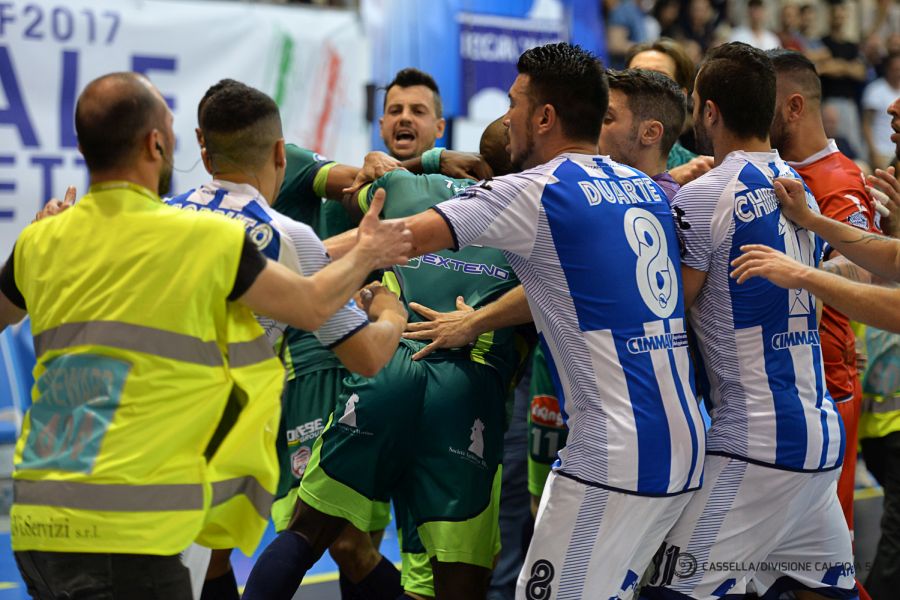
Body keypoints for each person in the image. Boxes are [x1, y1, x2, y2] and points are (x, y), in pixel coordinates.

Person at [0, 72, 412, 599]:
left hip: (39, 516)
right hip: (129, 522)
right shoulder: (209, 238)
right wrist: (384, 293)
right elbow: (321, 311)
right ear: (157, 144)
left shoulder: (48, 239)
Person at [392, 41, 702, 600]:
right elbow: (578, 286)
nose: (505, 116)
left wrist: (266, 259)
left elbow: (398, 239)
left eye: (514, 102)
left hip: (612, 450)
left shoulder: (535, 191)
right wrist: (478, 321)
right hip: (683, 441)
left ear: (544, 117)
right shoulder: (647, 190)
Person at [169, 79, 410, 600]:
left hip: (136, 435)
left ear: (202, 149)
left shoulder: (157, 218)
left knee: (209, 562)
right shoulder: (286, 236)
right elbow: (368, 356)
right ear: (281, 153)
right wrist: (392, 312)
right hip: (219, 439)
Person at [641, 42, 855, 600]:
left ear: (709, 111)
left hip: (756, 441)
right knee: (818, 590)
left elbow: (668, 308)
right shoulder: (799, 188)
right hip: (818, 434)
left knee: (671, 590)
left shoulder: (705, 195)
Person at [767, 48, 881, 559]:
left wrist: (795, 271)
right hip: (783, 380)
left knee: (823, 557)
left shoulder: (837, 178)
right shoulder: (770, 168)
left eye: (762, 99)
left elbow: (865, 272)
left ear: (794, 107)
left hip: (827, 384)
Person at [863, 52, 900, 170]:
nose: (898, 73)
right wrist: (873, 152)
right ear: (887, 69)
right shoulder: (875, 90)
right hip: (881, 152)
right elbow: (866, 124)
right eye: (895, 69)